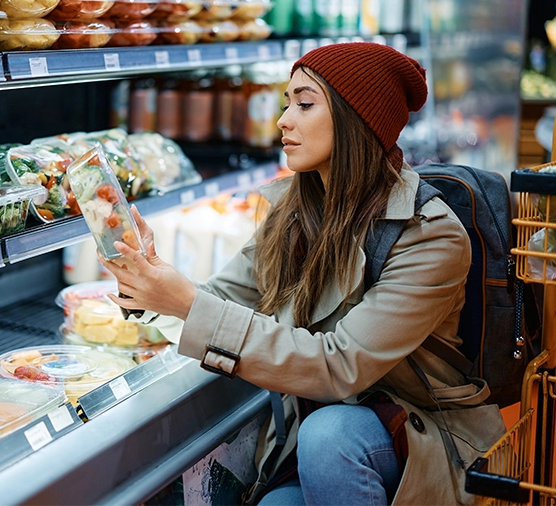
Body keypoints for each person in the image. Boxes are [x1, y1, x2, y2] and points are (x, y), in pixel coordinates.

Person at [101, 42, 506, 505]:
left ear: (358, 119)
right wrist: (145, 281)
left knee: (330, 436)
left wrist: (186, 303)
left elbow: (339, 365)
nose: (283, 120)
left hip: (421, 437)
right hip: (312, 434)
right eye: (286, 103)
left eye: (305, 104)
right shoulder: (294, 212)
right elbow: (224, 298)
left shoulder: (428, 237)